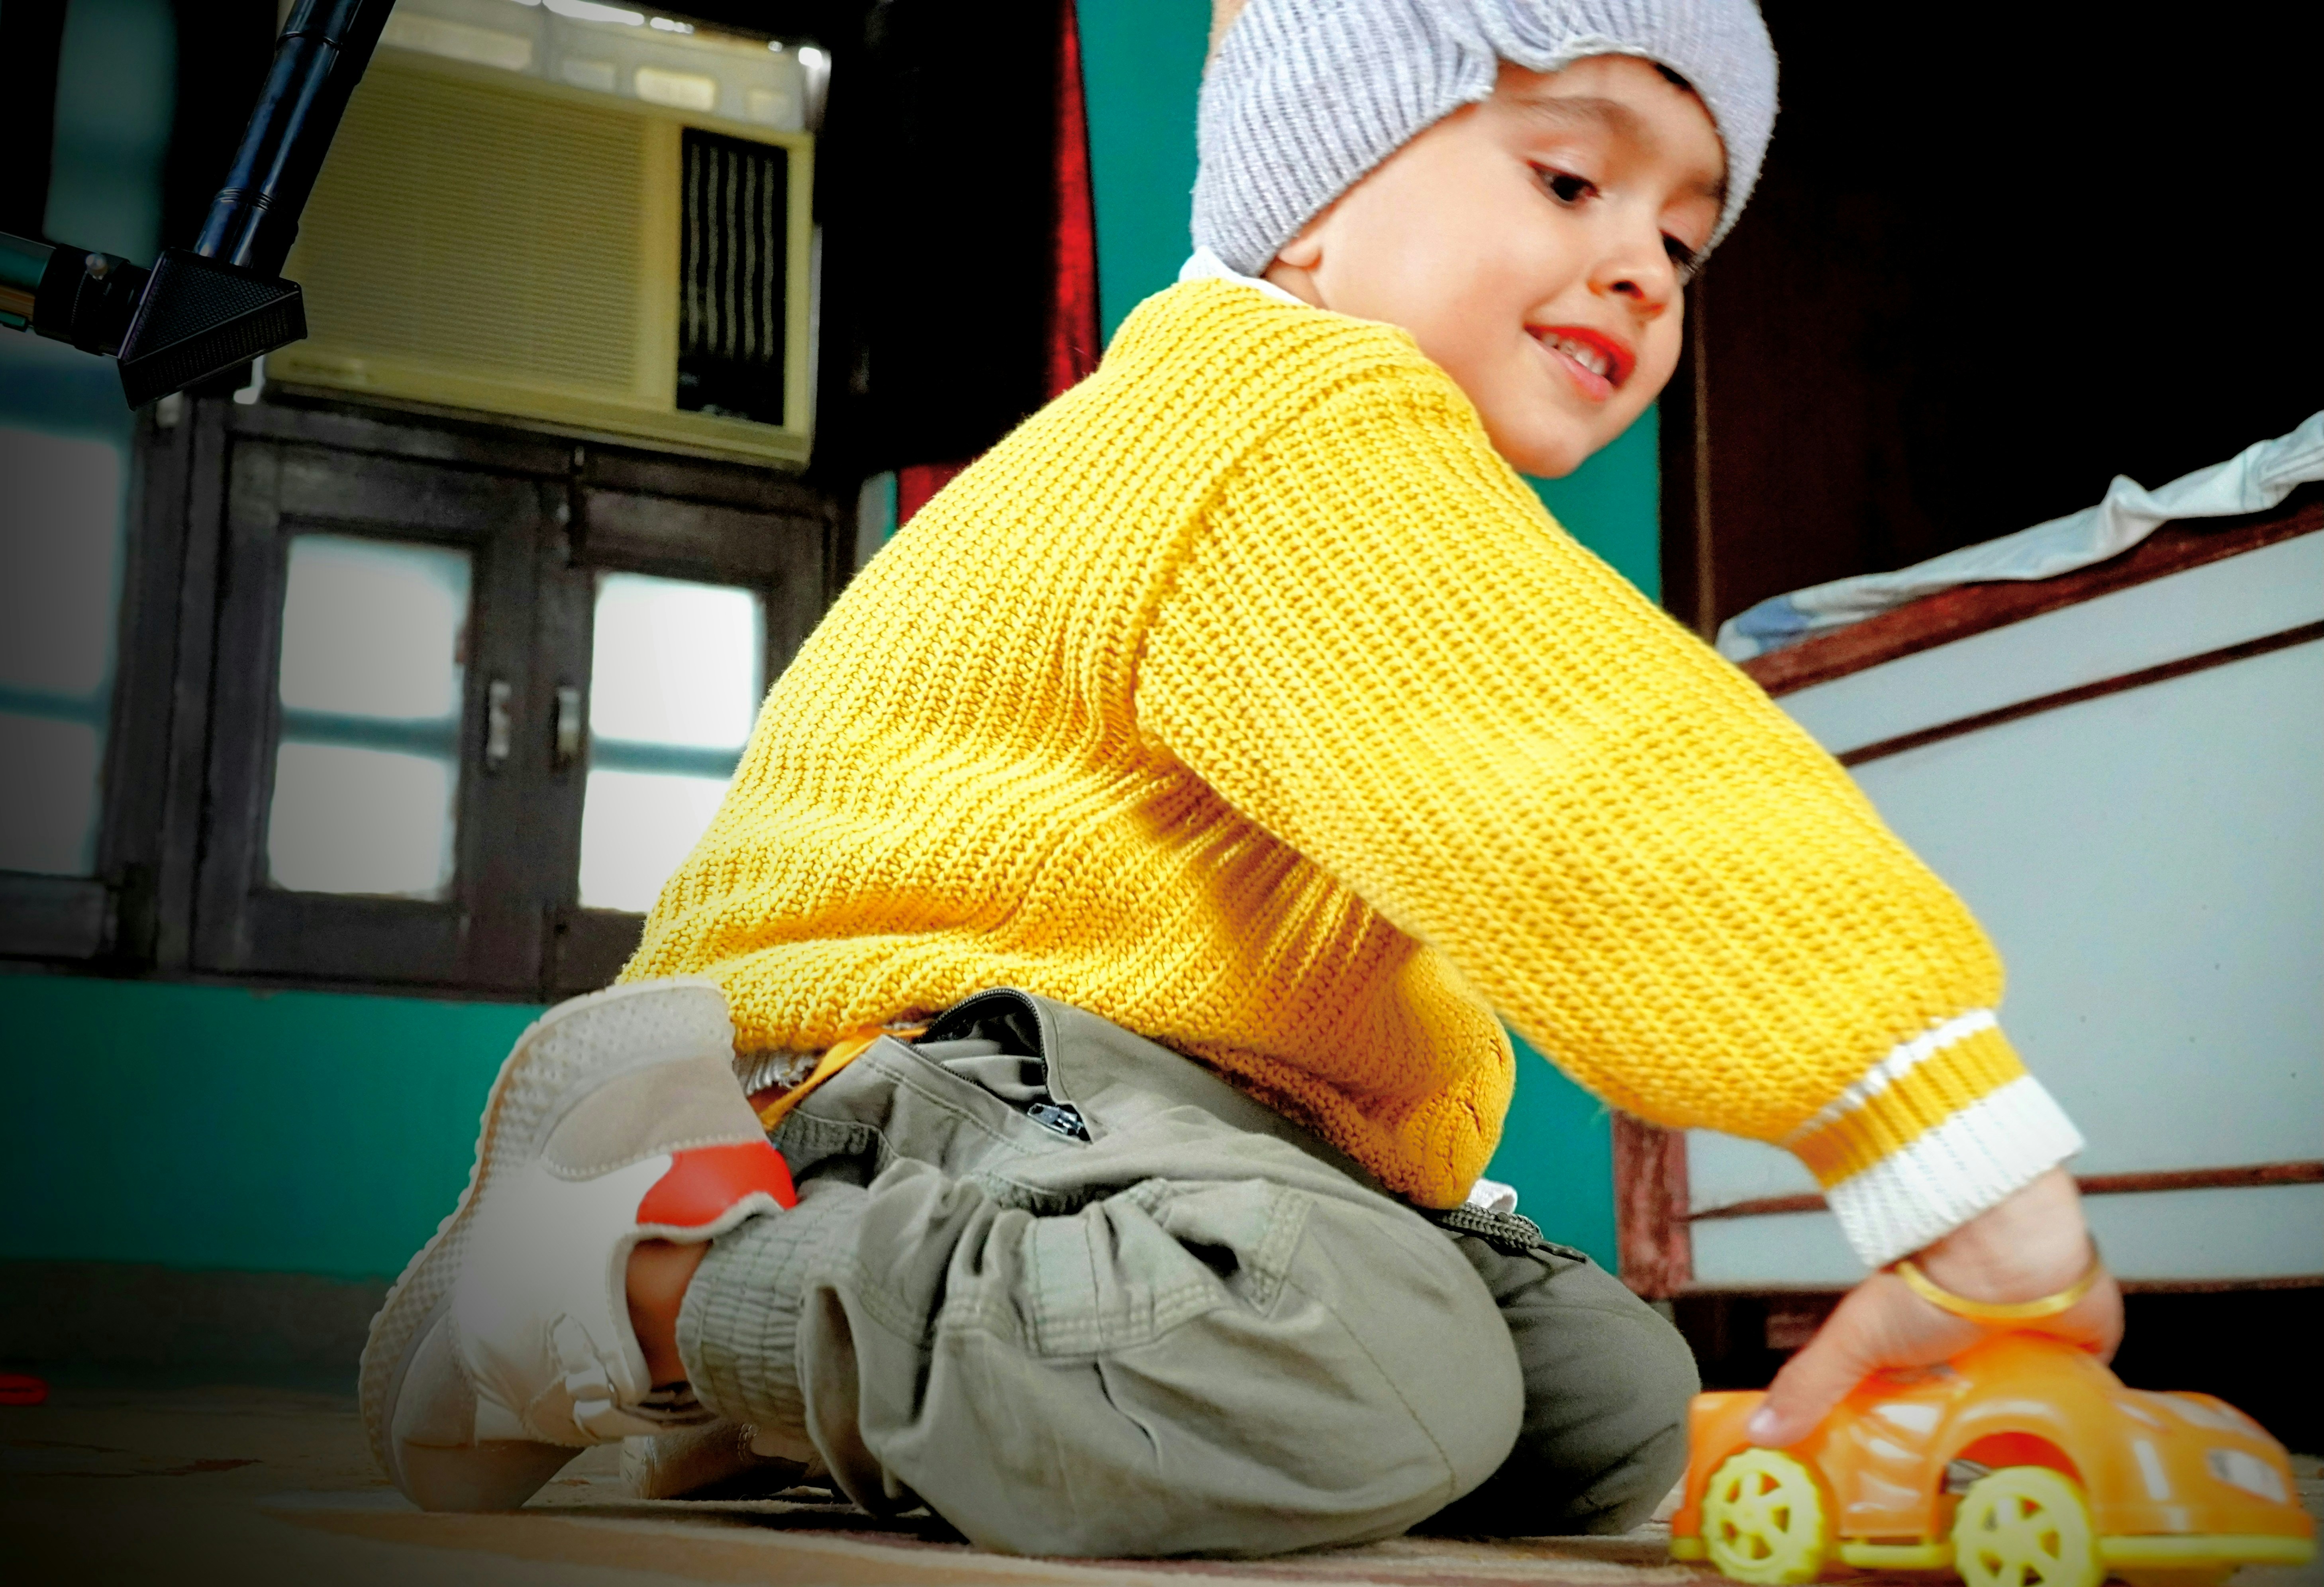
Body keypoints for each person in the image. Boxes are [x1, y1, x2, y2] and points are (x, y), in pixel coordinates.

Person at [361, 0, 2120, 1555]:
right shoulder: (1273, 414)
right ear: (1307, 214)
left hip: (1161, 1113)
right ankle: (636, 1288)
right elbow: (1581, 778)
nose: (1644, 269)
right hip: (901, 1064)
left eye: (1685, 232)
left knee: (1609, 1404)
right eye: (1571, 184)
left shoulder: (1344, 452)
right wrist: (1932, 1137)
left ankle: (828, 1384)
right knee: (1361, 1358)